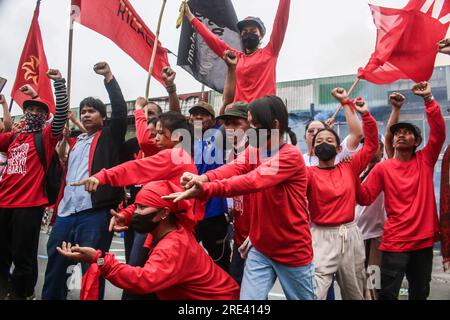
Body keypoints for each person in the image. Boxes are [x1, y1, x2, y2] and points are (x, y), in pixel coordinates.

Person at [165, 96, 315, 300]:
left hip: (292, 250)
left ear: (275, 125)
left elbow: (252, 180)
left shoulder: (290, 157)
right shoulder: (255, 149)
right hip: (260, 248)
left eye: (254, 124)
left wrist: (206, 189)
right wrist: (203, 177)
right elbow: (235, 168)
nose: (249, 130)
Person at [57, 180, 240, 300]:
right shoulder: (165, 232)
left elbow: (142, 280)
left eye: (142, 208)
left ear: (164, 213)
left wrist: (99, 259)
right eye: (135, 207)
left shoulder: (173, 246)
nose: (135, 213)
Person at [42, 62, 128, 300]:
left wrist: (109, 77)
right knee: (56, 266)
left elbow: (120, 111)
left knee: (93, 269)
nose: (87, 114)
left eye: (92, 110)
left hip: (95, 214)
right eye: (84, 111)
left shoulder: (109, 137)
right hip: (66, 214)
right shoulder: (76, 141)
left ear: (103, 116)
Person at [356, 82, 445, 300]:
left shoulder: (425, 160)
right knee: (385, 293)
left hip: (421, 243)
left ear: (417, 142)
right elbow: (365, 197)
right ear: (393, 141)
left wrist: (428, 99)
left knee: (420, 293)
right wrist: (348, 176)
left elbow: (439, 133)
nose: (401, 135)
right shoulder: (382, 168)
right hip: (390, 243)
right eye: (398, 133)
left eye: (407, 132)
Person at [0, 69, 69, 300]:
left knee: (23, 257)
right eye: (30, 109)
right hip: (3, 203)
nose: (34, 113)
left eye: (39, 111)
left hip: (28, 206)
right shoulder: (14, 138)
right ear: (24, 112)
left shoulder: (47, 137)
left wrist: (59, 83)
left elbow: (60, 115)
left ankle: (21, 294)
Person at [306, 93, 378, 300]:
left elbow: (371, 145)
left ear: (338, 149)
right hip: (320, 237)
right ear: (313, 149)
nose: (324, 143)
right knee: (314, 293)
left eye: (329, 140)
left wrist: (364, 113)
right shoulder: (307, 174)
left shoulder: (349, 167)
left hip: (350, 235)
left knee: (354, 292)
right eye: (319, 141)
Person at [184, 0, 291, 103]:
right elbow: (211, 39)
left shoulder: (270, 52)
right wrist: (191, 17)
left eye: (253, 31)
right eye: (245, 31)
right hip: (239, 114)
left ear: (261, 35)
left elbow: (281, 20)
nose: (248, 34)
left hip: (262, 112)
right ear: (241, 35)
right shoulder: (236, 57)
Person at [216, 101, 251, 285]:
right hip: (240, 240)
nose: (230, 129)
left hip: (261, 243)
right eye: (226, 124)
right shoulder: (232, 155)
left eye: (236, 123)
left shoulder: (266, 155)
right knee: (238, 289)